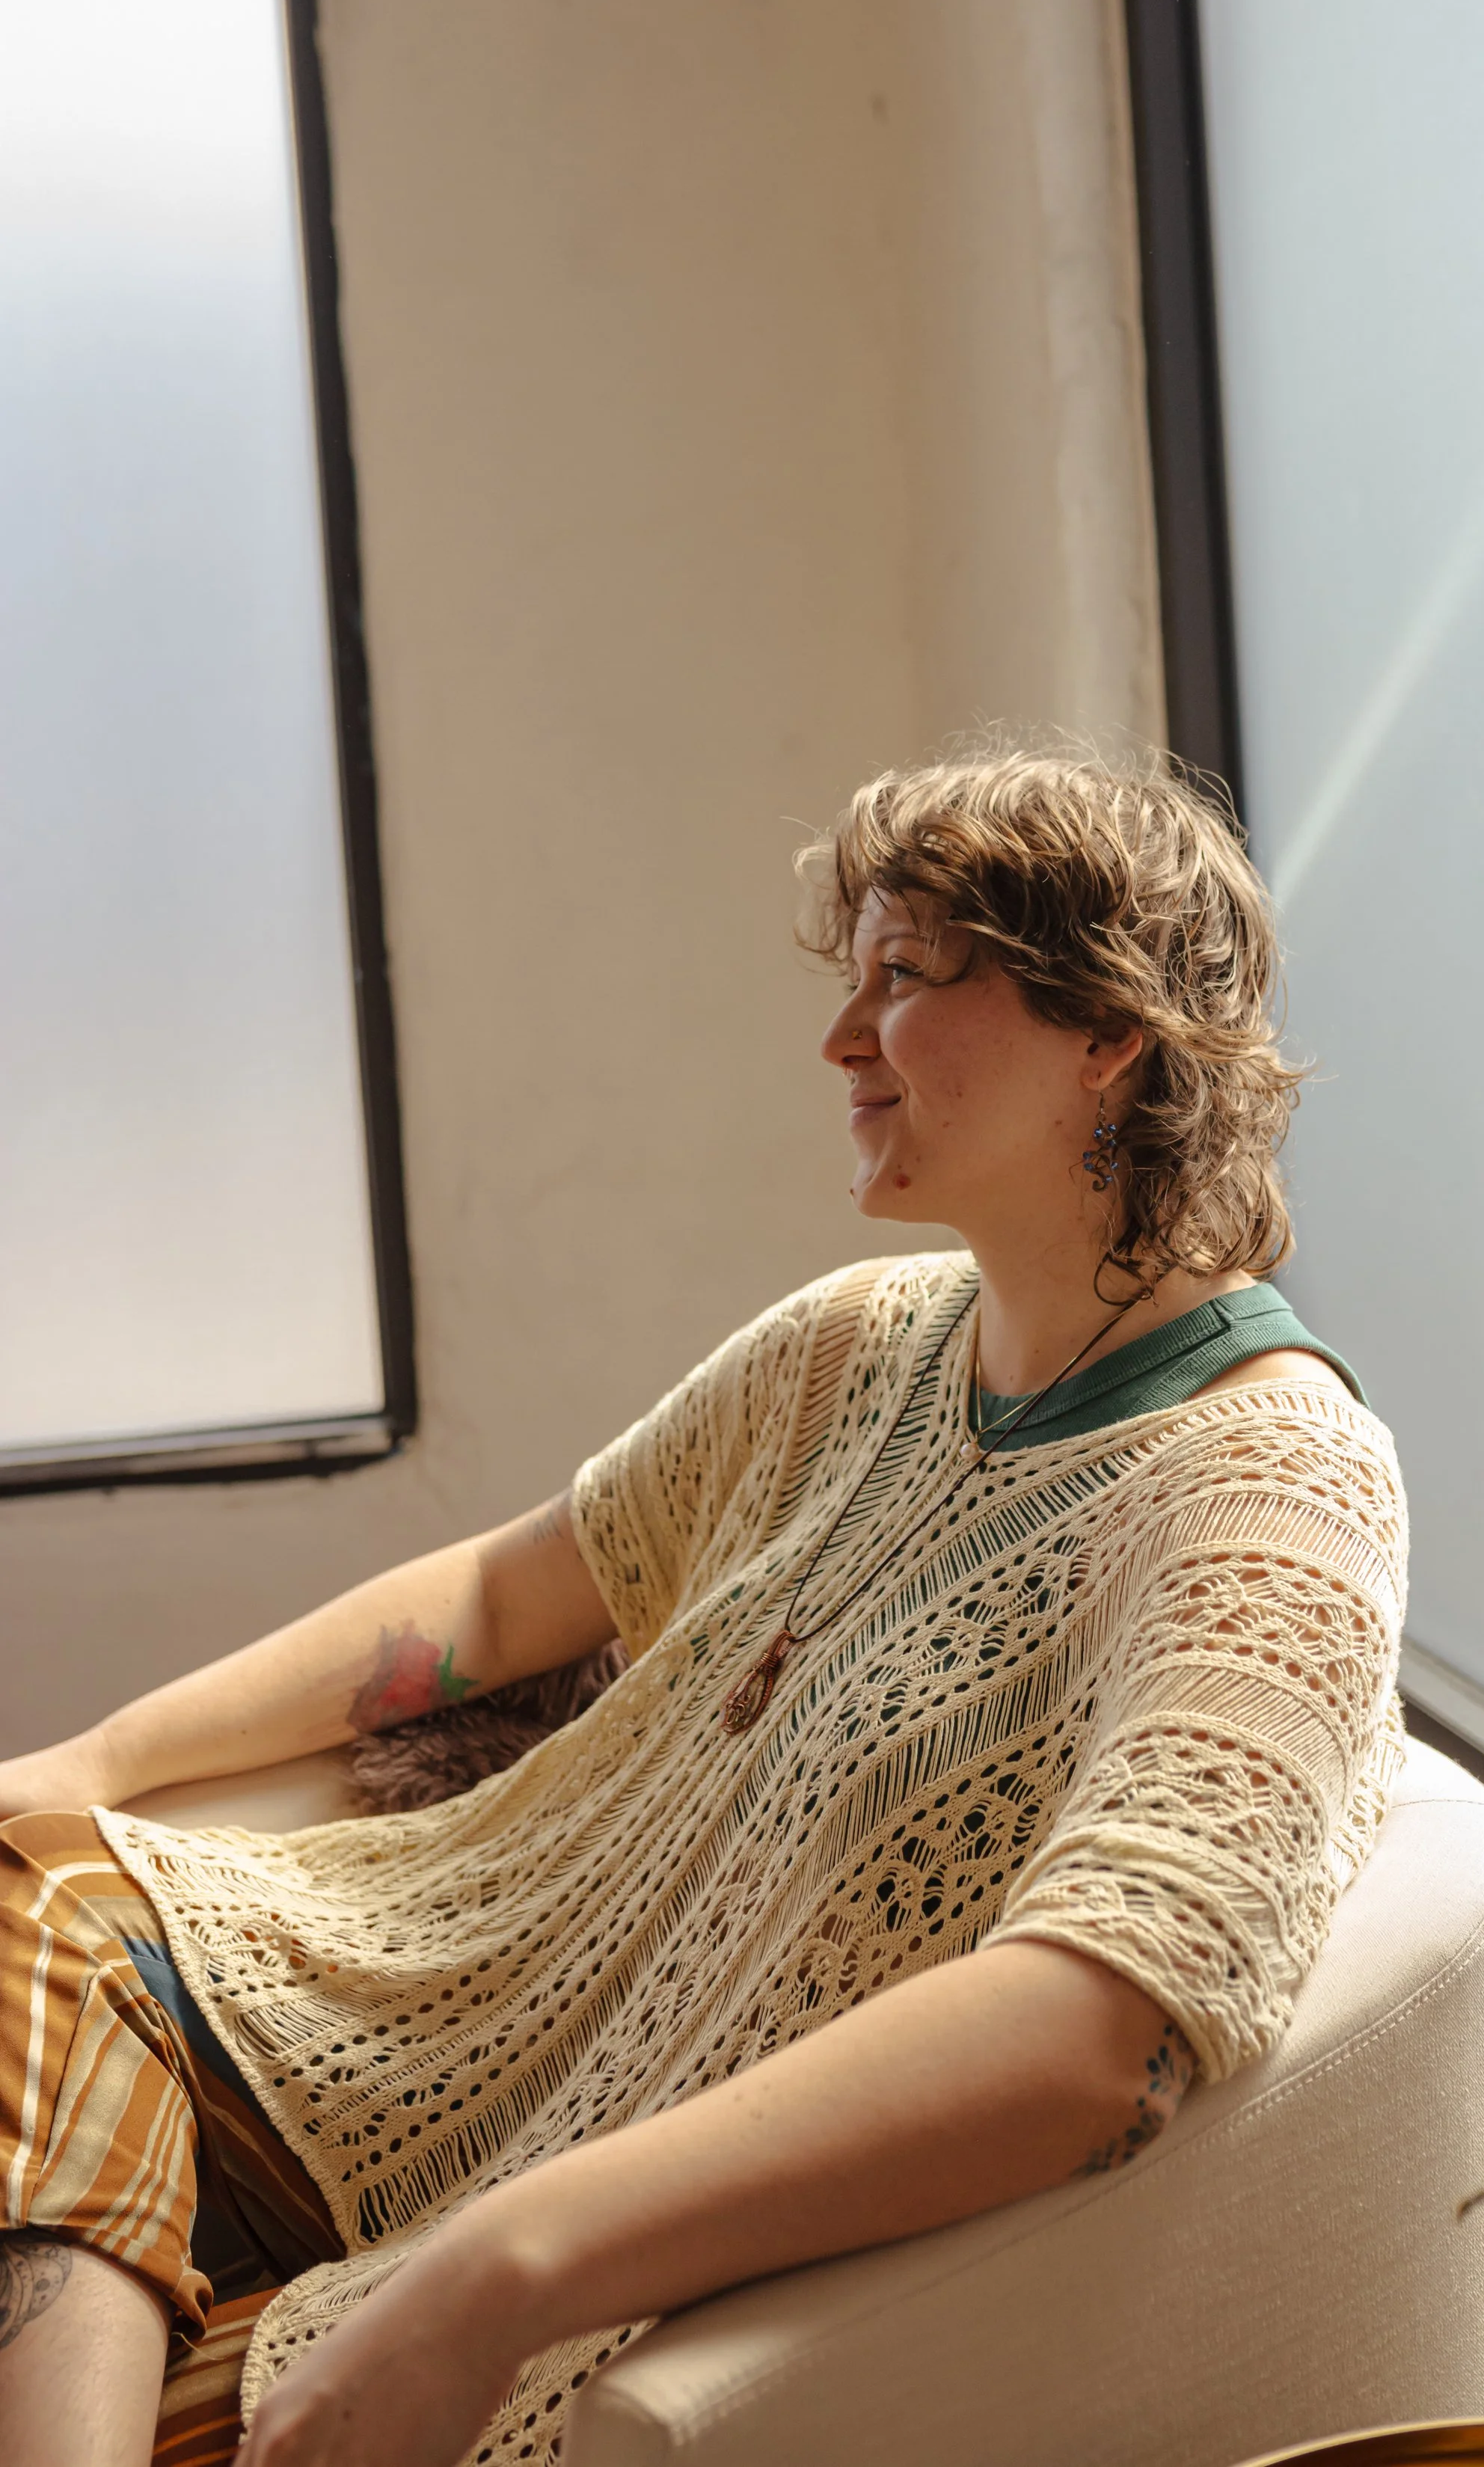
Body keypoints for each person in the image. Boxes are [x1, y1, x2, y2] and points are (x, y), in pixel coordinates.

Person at [0, 743, 1407, 2467]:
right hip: (398, 2032)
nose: (838, 1040)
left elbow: (1100, 2027)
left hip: (569, 2235)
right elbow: (510, 1590)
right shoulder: (861, 1340)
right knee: (21, 1883)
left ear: (1105, 1031)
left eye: (902, 978)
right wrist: (89, 1758)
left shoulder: (1271, 1483)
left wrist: (497, 2271)